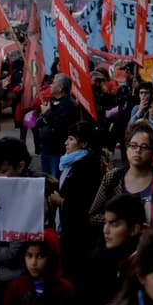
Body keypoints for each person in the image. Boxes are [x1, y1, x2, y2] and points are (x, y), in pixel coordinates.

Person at [56, 121, 104, 285]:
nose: (66, 143)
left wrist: (61, 201)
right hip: (67, 229)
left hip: (79, 234)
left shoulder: (88, 166)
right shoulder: (70, 162)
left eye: (70, 139)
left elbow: (85, 203)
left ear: (83, 143)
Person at [89, 121, 153, 226]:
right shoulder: (112, 177)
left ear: (152, 152)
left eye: (144, 147)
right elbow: (93, 215)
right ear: (127, 148)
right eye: (133, 146)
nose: (138, 150)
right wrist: (120, 223)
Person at [36, 73, 80, 179]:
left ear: (60, 88)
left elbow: (61, 125)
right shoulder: (52, 102)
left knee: (55, 180)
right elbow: (38, 122)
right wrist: (45, 116)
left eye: (53, 83)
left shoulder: (70, 105)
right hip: (45, 148)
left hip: (58, 150)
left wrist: (46, 115)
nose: (50, 85)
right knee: (45, 181)